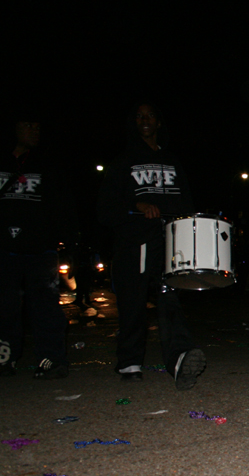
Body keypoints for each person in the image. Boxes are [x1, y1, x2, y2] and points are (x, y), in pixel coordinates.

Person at [97, 102, 205, 388]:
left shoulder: (172, 161)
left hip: (170, 241)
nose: (145, 120)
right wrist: (137, 203)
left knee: (169, 297)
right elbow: (105, 208)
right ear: (133, 123)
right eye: (139, 116)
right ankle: (130, 360)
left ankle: (180, 358)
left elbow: (186, 202)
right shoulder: (123, 161)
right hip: (135, 242)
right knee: (133, 301)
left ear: (159, 122)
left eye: (150, 116)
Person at [0, 113, 78, 379]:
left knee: (45, 304)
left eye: (37, 126)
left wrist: (66, 240)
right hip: (4, 247)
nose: (34, 130)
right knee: (5, 304)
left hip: (41, 248)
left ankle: (51, 359)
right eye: (27, 124)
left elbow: (63, 205)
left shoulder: (47, 164)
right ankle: (5, 357)